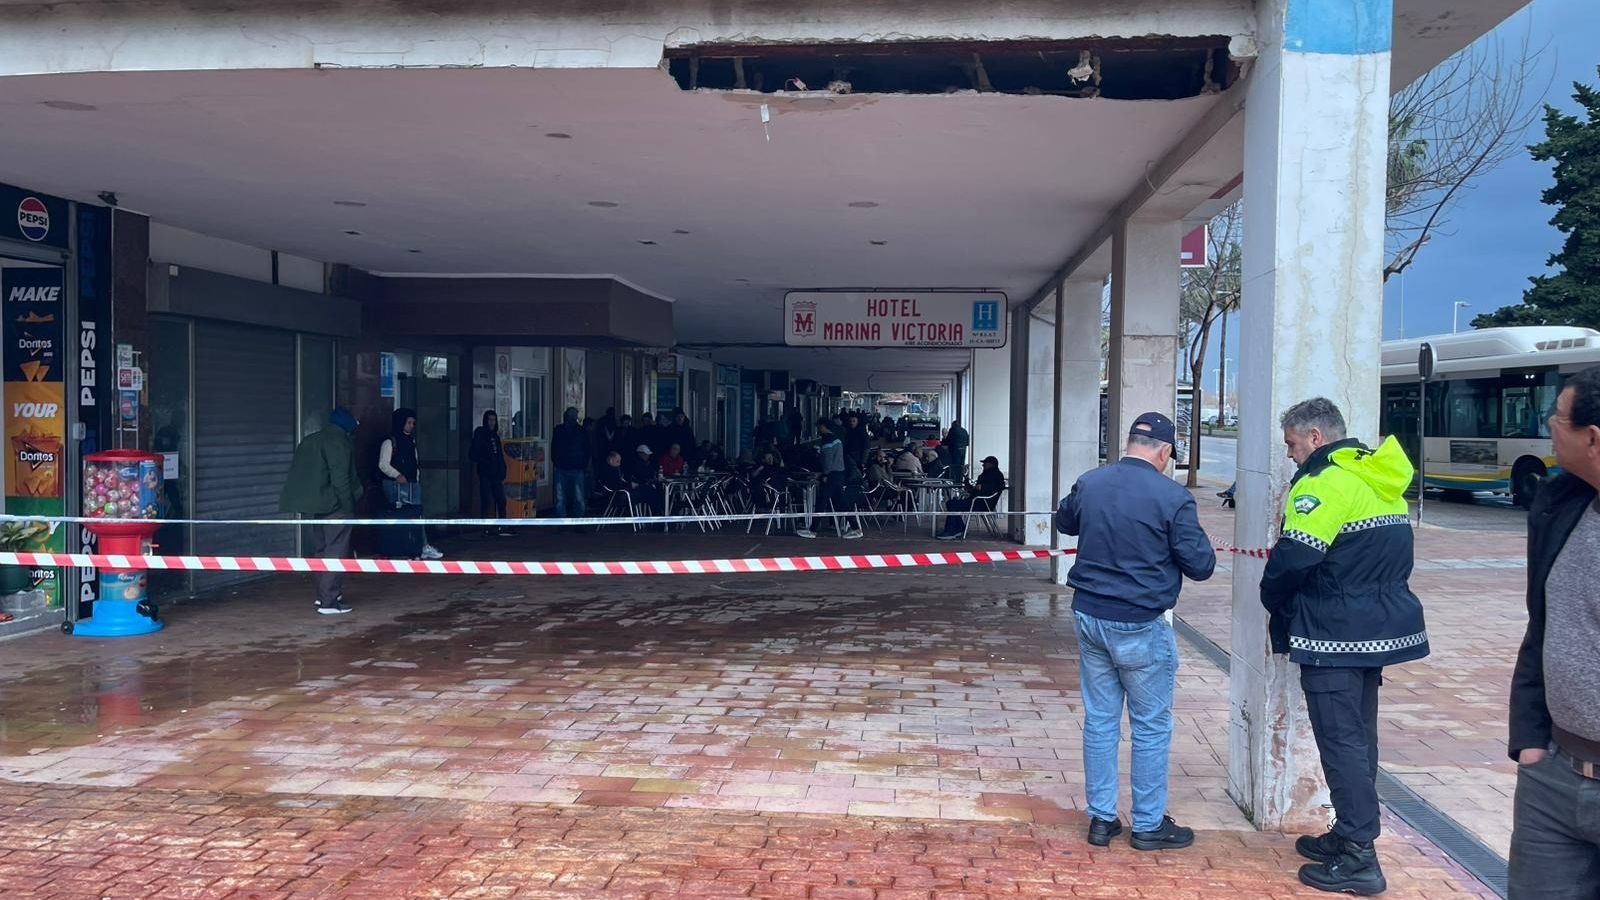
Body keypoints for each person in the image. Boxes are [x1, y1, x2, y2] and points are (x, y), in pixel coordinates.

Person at [1260, 398, 1430, 896]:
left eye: (1292, 444)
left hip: (1332, 633)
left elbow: (1295, 558)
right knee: (1359, 739)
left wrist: (1272, 597)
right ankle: (1349, 832)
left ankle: (1359, 856)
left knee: (1341, 744)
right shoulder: (1377, 477)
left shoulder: (1323, 483)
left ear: (1315, 437)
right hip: (1376, 630)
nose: (1290, 454)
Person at [1055, 412, 1216, 852]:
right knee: (1150, 726)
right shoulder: (1173, 497)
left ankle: (1101, 820)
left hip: (1090, 615)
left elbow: (1065, 521)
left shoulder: (1091, 482)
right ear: (1164, 451)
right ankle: (1147, 824)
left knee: (1100, 720)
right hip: (1140, 622)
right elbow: (1201, 565)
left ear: (1129, 444)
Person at [1508, 366, 1600, 898]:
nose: (1548, 425)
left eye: (1557, 417)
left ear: (1593, 438)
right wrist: (1529, 741)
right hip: (1555, 775)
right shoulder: (1562, 504)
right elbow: (1543, 626)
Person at [280, 407, 362, 615]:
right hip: (334, 506)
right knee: (336, 551)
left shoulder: (310, 440)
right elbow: (341, 479)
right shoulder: (338, 442)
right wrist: (348, 506)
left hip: (313, 507)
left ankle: (323, 595)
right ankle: (329, 602)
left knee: (321, 550)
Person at [378, 407, 444, 561]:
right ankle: (407, 547)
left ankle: (419, 546)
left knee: (416, 516)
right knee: (402, 516)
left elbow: (415, 462)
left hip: (412, 485)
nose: (411, 426)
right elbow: (383, 464)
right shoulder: (390, 442)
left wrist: (416, 479)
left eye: (413, 423)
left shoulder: (411, 441)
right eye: (408, 423)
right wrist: (397, 475)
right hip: (396, 486)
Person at [796, 421, 862, 540]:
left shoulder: (827, 441)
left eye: (819, 427)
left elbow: (827, 460)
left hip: (831, 475)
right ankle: (856, 528)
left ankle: (813, 530)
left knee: (822, 501)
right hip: (839, 474)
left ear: (824, 427)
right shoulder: (837, 440)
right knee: (842, 503)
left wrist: (824, 474)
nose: (818, 430)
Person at [935, 456, 1006, 539]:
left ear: (991, 464)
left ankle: (951, 531)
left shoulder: (997, 476)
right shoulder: (985, 475)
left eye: (985, 463)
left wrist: (983, 487)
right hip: (976, 501)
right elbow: (974, 490)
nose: (983, 465)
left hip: (983, 503)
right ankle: (958, 528)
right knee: (950, 503)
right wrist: (968, 484)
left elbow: (999, 487)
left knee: (954, 505)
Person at [469, 410, 511, 535]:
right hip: (485, 473)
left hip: (496, 474)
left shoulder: (495, 436)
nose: (492, 423)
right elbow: (473, 454)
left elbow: (499, 455)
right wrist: (485, 462)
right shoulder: (480, 434)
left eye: (494, 420)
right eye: (490, 420)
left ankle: (502, 525)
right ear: (485, 421)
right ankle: (486, 527)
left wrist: (502, 468)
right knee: (486, 500)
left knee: (501, 500)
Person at [551, 406, 591, 522]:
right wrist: (584, 465)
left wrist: (556, 462)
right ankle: (578, 521)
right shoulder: (581, 431)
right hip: (575, 467)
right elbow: (587, 449)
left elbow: (554, 448)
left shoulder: (559, 430)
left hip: (563, 467)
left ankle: (562, 521)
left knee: (560, 498)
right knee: (578, 497)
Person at [625, 444, 663, 514]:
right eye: (645, 454)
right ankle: (657, 514)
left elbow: (652, 475)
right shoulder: (634, 464)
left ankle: (660, 511)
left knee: (658, 489)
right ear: (640, 454)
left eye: (648, 454)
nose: (647, 456)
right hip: (636, 489)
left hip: (645, 486)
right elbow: (638, 477)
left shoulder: (649, 464)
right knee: (651, 492)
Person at [944, 419, 970, 483]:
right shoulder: (964, 431)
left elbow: (948, 440)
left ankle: (955, 480)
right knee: (961, 466)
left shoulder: (952, 430)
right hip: (963, 450)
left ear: (953, 425)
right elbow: (968, 442)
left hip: (954, 451)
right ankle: (960, 480)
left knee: (955, 466)